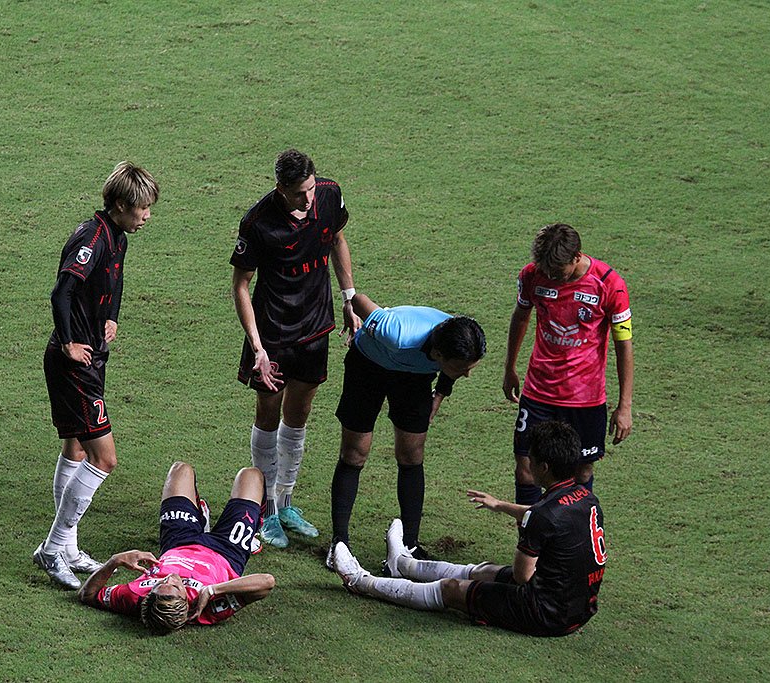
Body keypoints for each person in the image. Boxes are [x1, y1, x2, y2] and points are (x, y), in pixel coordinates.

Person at [332, 420, 607, 637]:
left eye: (531, 460)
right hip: (578, 608)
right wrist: (500, 505)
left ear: (544, 467)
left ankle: (361, 582)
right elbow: (547, 516)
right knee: (486, 571)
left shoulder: (541, 518)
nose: (528, 464)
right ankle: (404, 565)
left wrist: (527, 533)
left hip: (546, 615)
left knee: (451, 589)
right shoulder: (586, 498)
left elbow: (523, 576)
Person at [33, 161, 159, 590]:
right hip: (75, 365)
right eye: (142, 208)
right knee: (104, 458)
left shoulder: (116, 236)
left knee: (76, 447)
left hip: (90, 358)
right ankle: (52, 548)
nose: (147, 216)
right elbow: (61, 291)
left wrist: (112, 316)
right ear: (120, 204)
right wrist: (69, 342)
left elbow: (114, 282)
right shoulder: (92, 238)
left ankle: (67, 547)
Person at [230, 149, 361, 549]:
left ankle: (285, 501)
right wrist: (257, 348)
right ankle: (265, 509)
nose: (308, 199)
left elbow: (337, 238)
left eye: (311, 189)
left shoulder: (329, 194)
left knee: (299, 413)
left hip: (315, 325)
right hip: (272, 332)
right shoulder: (257, 222)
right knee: (268, 413)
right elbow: (241, 285)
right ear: (280, 189)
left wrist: (349, 297)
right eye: (299, 193)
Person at [328, 293, 486, 566]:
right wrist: (349, 308)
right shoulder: (397, 333)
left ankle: (410, 545)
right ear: (438, 355)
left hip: (414, 377)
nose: (467, 373)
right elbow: (360, 301)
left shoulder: (462, 338)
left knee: (412, 454)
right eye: (462, 368)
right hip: (367, 366)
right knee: (355, 453)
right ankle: (338, 543)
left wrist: (440, 394)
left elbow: (453, 368)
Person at [503, 223, 633, 505]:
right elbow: (521, 316)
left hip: (585, 398)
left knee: (581, 472)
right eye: (546, 271)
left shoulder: (610, 284)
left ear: (577, 256)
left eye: (557, 272)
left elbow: (623, 344)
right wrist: (509, 367)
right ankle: (530, 533)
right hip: (538, 391)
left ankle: (575, 531)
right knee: (526, 469)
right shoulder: (532, 275)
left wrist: (625, 406)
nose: (551, 277)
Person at [77, 461, 276, 633]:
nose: (170, 577)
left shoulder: (135, 597)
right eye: (175, 586)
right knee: (251, 475)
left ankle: (199, 520)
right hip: (227, 551)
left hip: (178, 541)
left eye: (157, 585)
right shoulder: (210, 608)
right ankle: (252, 532)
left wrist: (115, 561)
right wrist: (213, 590)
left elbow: (88, 595)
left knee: (181, 470)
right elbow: (266, 582)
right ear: (186, 603)